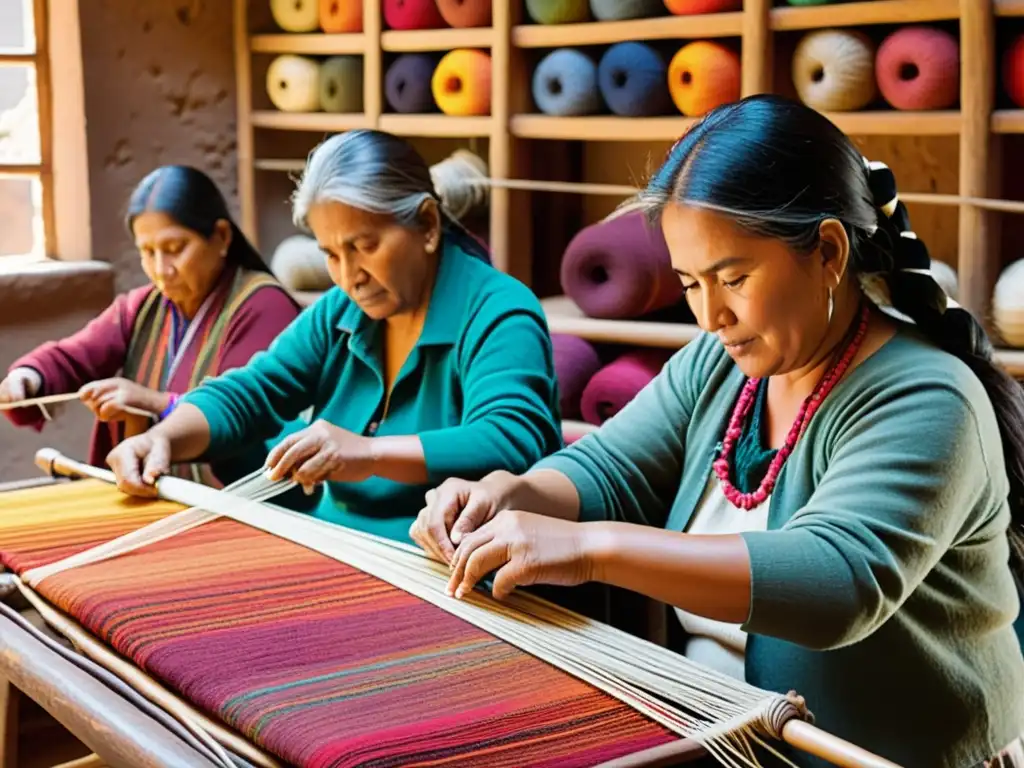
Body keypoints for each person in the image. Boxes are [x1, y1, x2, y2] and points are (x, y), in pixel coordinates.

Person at [410, 95, 1024, 768]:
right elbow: (614, 467)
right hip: (732, 740)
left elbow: (837, 583)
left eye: (733, 278)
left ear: (826, 251)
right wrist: (513, 494)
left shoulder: (928, 397)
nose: (710, 315)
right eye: (689, 283)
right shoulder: (724, 365)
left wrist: (590, 548)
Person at [104, 129, 564, 545]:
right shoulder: (343, 310)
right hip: (338, 548)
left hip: (448, 565)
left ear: (426, 225)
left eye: (364, 247)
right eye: (330, 254)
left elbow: (509, 437)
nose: (349, 276)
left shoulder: (498, 310)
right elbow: (254, 390)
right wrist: (162, 438)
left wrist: (367, 452)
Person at [0, 165, 307, 494]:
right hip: (148, 498)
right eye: (148, 252)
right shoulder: (142, 307)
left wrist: (152, 402)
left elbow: (244, 411)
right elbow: (73, 357)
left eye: (175, 249)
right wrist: (28, 377)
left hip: (231, 509)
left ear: (221, 236)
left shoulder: (265, 307)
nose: (162, 269)